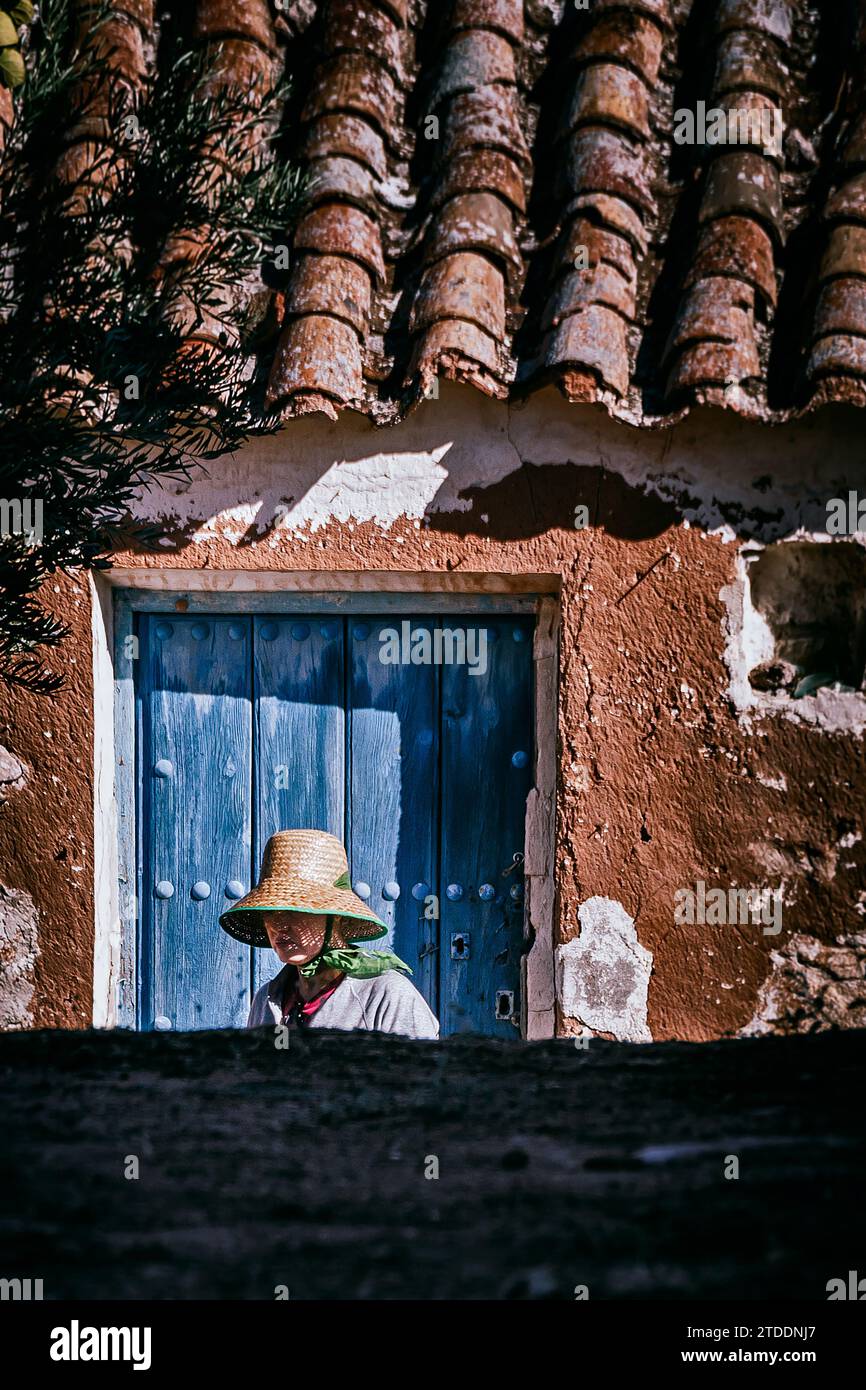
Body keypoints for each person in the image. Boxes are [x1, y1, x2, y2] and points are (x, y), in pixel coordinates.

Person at [219, 828, 439, 1039]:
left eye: (295, 910)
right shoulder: (267, 999)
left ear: (336, 916)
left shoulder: (387, 996)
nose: (279, 925)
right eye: (270, 912)